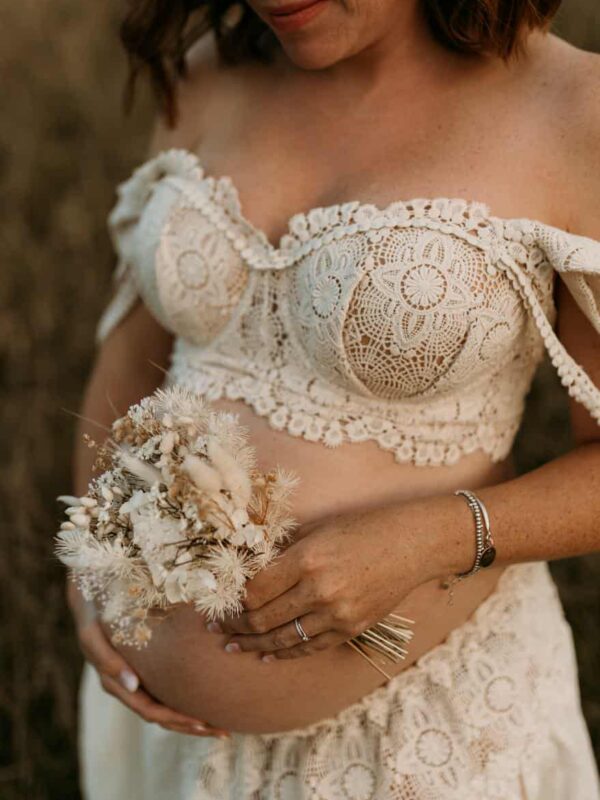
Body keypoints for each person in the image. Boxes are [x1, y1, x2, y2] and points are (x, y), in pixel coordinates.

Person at [68, 1, 600, 797]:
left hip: (424, 735)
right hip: (163, 742)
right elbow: (131, 351)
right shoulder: (206, 70)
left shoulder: (576, 111)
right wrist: (89, 583)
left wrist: (429, 540)